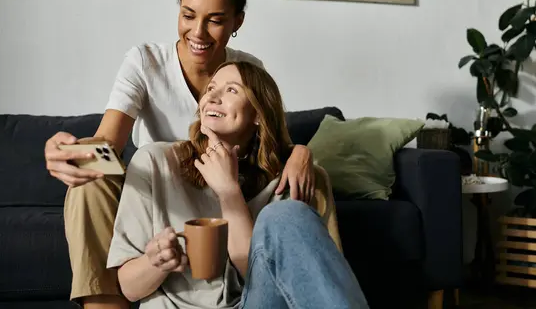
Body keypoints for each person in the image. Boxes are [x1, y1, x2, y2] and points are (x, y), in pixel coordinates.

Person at [43, 0, 317, 309]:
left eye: (215, 20)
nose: (198, 33)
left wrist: (303, 152)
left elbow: (272, 143)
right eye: (188, 15)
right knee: (88, 186)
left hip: (224, 196)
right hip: (159, 199)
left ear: (237, 21)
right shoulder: (145, 62)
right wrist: (68, 152)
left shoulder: (248, 70)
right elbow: (108, 143)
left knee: (309, 181)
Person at [107, 61, 368, 309]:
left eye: (231, 90)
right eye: (210, 89)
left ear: (258, 113)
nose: (212, 96)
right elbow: (129, 288)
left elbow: (268, 276)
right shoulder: (154, 162)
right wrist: (156, 263)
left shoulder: (292, 178)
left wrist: (229, 193)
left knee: (285, 213)